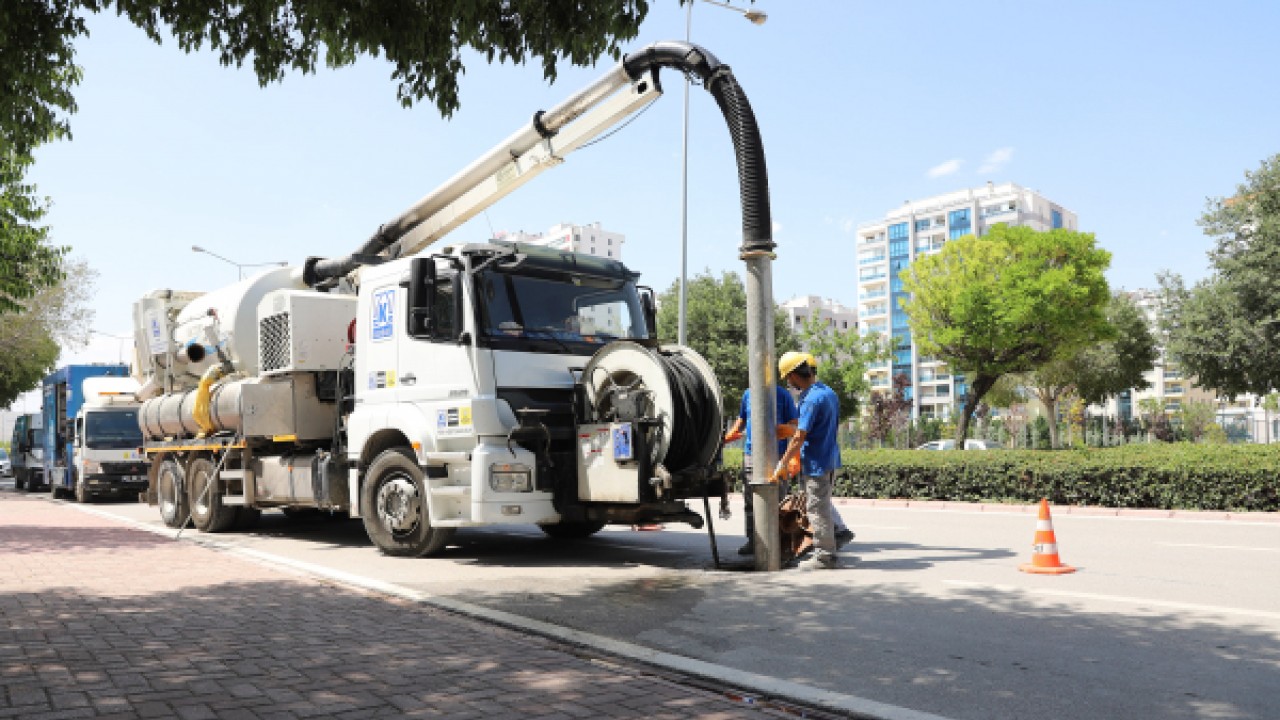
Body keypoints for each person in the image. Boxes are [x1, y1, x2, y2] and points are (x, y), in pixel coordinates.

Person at [774, 351, 845, 570]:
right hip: (829, 458)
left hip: (817, 462)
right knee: (821, 506)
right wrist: (793, 430)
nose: (788, 382)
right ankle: (831, 544)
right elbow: (815, 427)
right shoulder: (828, 393)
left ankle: (824, 557)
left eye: (788, 377)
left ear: (796, 375)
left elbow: (800, 437)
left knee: (816, 509)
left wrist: (783, 463)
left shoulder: (810, 399)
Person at [724, 384, 797, 556]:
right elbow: (742, 419)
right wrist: (728, 436)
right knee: (751, 501)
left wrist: (791, 452)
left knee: (779, 500)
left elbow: (795, 425)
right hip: (751, 454)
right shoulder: (748, 393)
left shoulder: (783, 395)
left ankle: (779, 543)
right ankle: (753, 541)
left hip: (777, 454)